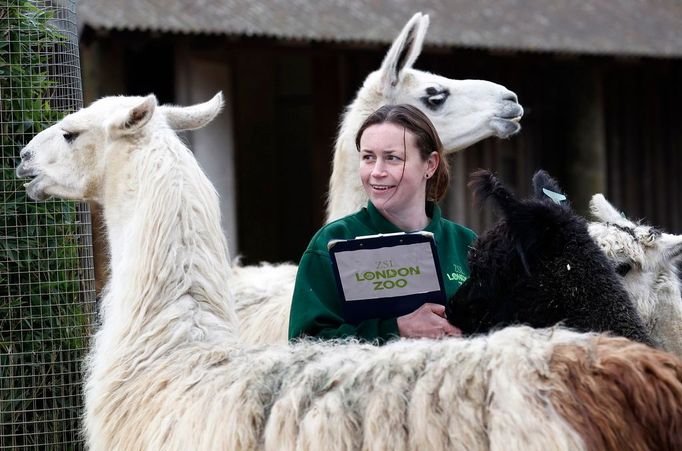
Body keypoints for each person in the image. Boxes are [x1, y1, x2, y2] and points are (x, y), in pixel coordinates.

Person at [288, 104, 476, 343]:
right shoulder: (331, 242)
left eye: (392, 158)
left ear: (430, 165)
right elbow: (304, 344)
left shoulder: (466, 244)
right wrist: (396, 329)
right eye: (368, 157)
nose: (377, 171)